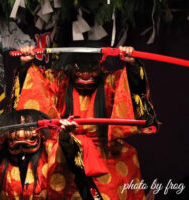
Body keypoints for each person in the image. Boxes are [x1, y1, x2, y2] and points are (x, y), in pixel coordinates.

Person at [12, 41, 159, 200]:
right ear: (70, 67)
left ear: (99, 65)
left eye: (91, 69)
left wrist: (131, 64)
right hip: (64, 145)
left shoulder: (109, 81)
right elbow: (36, 82)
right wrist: (26, 65)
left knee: (129, 156)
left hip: (102, 148)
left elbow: (131, 87)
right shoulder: (59, 80)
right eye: (79, 69)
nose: (86, 75)